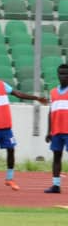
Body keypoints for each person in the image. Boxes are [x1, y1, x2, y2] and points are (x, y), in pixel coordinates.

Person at [0, 78, 47, 191]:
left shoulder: (1, 84)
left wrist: (36, 98)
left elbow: (18, 94)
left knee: (11, 149)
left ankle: (9, 179)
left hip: (6, 126)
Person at [44, 63, 68, 194]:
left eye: (66, 74)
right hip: (57, 131)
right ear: (58, 75)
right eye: (61, 73)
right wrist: (49, 131)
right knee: (56, 157)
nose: (63, 76)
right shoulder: (53, 92)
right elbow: (50, 112)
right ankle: (56, 185)